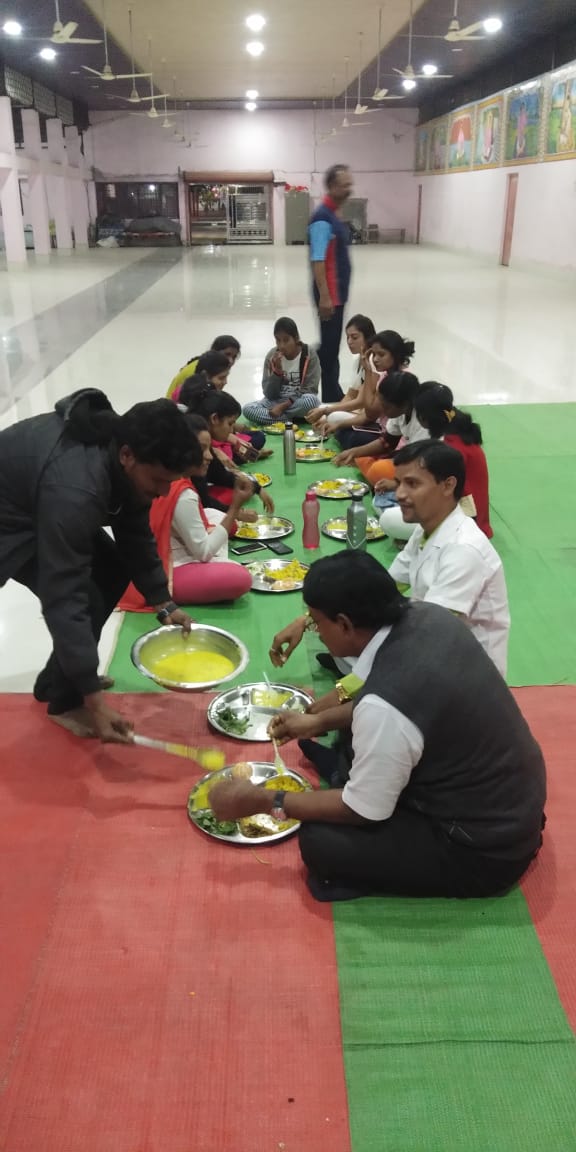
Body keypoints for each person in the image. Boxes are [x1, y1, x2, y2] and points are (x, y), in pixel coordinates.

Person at [211, 553, 545, 902]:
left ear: (344, 624)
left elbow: (363, 811)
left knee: (319, 841)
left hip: (485, 849)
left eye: (316, 622)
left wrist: (267, 800)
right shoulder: (427, 616)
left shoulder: (384, 708)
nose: (316, 632)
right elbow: (387, 702)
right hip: (509, 800)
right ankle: (348, 778)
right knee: (354, 734)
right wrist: (318, 721)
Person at [0, 389, 195, 742]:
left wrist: (163, 601)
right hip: (10, 520)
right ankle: (66, 701)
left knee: (114, 569)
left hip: (40, 497)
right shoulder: (76, 489)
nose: (164, 493)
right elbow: (64, 594)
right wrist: (93, 697)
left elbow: (134, 532)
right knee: (84, 598)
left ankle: (60, 680)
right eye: (158, 481)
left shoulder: (126, 457)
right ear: (127, 456)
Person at [268, 443, 509, 676]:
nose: (400, 494)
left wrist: (344, 693)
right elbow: (384, 589)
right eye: (399, 482)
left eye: (412, 484)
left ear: (448, 486)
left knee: (351, 636)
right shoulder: (426, 529)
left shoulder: (464, 551)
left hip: (459, 669)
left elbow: (430, 636)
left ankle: (363, 680)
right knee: (337, 625)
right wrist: (310, 619)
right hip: (427, 631)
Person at [119, 416, 253, 607]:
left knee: (216, 516)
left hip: (153, 555)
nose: (209, 456)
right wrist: (235, 508)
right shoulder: (183, 494)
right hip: (166, 570)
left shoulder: (173, 478)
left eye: (209, 448)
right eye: (202, 449)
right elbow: (204, 553)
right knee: (240, 577)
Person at [180, 379, 274, 516]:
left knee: (240, 490)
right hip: (184, 505)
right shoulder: (194, 440)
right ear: (214, 418)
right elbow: (203, 502)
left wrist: (256, 487)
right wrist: (237, 513)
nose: (231, 431)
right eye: (230, 424)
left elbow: (218, 474)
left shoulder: (201, 434)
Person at [332, 368, 426, 483]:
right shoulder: (401, 411)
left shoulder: (423, 422)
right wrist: (354, 452)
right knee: (361, 459)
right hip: (406, 457)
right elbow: (387, 443)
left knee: (378, 469)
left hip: (422, 466)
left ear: (405, 404)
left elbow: (420, 462)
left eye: (386, 407)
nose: (382, 410)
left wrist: (395, 483)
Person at [309, 164, 353, 403]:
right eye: (345, 185)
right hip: (330, 294)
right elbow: (318, 259)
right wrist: (325, 296)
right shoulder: (322, 217)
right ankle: (327, 396)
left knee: (332, 345)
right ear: (332, 186)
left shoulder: (333, 214)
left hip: (337, 293)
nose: (349, 189)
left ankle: (332, 391)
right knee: (328, 347)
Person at [242, 317, 321, 425]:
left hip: (298, 401)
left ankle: (275, 418)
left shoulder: (309, 354)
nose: (282, 345)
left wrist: (283, 406)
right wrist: (277, 372)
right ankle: (293, 419)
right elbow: (269, 394)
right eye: (278, 340)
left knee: (311, 401)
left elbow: (310, 389)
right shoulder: (271, 356)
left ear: (296, 338)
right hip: (276, 401)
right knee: (248, 409)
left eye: (286, 340)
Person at [305, 314, 377, 433]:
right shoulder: (357, 359)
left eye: (354, 337)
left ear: (368, 337)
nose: (349, 342)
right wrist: (326, 413)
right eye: (347, 337)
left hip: (368, 416)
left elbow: (361, 401)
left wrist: (327, 411)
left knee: (332, 416)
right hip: (357, 411)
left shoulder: (372, 361)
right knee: (322, 410)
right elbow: (350, 395)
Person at [167, 335, 241, 399]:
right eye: (227, 354)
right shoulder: (197, 369)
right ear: (215, 351)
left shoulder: (208, 365)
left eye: (234, 357)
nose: (231, 361)